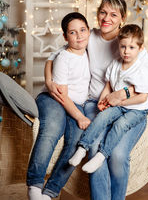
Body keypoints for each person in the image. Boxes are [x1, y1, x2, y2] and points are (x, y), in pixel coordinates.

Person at [42, 0, 148, 200]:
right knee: (95, 147)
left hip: (128, 108)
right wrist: (49, 81)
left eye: (113, 14)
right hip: (94, 104)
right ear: (97, 14)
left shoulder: (128, 42)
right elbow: (55, 56)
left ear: (122, 18)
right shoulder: (89, 36)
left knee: (117, 155)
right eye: (103, 12)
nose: (107, 18)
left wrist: (121, 94)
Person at [69, 24, 148, 173]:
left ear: (140, 48)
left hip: (137, 109)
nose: (126, 51)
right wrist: (102, 99)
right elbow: (108, 84)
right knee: (101, 117)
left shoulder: (141, 69)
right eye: (123, 47)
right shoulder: (115, 64)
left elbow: (142, 98)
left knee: (120, 125)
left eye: (131, 47)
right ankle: (82, 148)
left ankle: (101, 155)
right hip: (118, 105)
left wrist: (122, 102)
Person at [26, 12, 91, 200]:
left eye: (82, 30)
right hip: (54, 99)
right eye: (72, 32)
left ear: (89, 31)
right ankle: (35, 184)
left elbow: (50, 58)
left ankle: (51, 190)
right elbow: (61, 95)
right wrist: (79, 116)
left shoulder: (89, 46)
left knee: (77, 139)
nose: (79, 36)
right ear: (65, 37)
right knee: (52, 128)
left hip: (75, 103)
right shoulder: (65, 57)